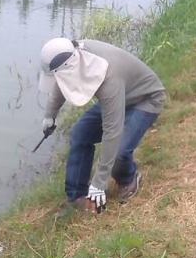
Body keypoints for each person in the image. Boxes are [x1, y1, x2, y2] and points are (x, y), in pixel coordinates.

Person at [39, 37, 165, 213]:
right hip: (119, 96)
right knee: (80, 134)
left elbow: (112, 132)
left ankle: (128, 177)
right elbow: (62, 82)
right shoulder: (72, 57)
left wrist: (99, 182)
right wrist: (50, 116)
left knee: (119, 152)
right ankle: (76, 196)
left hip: (145, 99)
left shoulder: (109, 78)